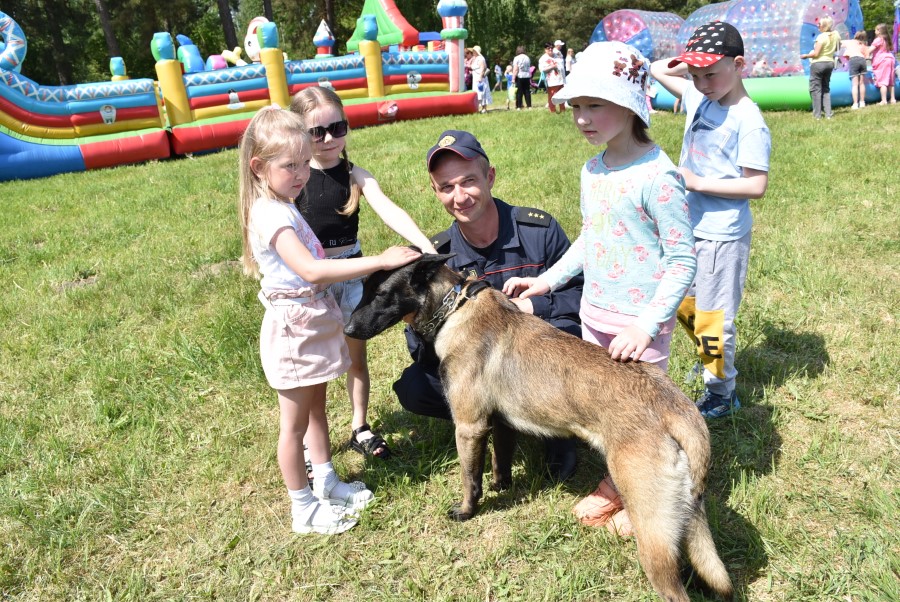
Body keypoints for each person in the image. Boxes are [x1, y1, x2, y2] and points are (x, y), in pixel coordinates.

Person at [502, 41, 697, 537]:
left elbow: (682, 261)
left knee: (644, 419)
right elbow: (592, 239)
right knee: (610, 413)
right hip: (596, 316)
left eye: (595, 105)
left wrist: (646, 325)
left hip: (639, 327)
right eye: (576, 106)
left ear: (630, 106)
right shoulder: (592, 171)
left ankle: (644, 491)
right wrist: (546, 281)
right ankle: (620, 481)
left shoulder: (659, 176)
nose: (582, 118)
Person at [237, 106, 422, 533]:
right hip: (293, 328)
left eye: (305, 163)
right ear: (259, 167)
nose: (302, 174)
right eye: (291, 166)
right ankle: (303, 507)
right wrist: (380, 260)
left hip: (311, 319)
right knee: (293, 426)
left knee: (316, 410)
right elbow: (311, 270)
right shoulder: (270, 213)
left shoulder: (282, 203)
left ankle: (325, 480)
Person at [392, 129, 585, 483]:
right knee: (415, 387)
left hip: (538, 364)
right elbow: (421, 352)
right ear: (435, 192)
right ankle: (491, 417)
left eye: (469, 181)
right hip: (482, 372)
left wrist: (533, 306)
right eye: (446, 187)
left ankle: (558, 432)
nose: (460, 196)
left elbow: (581, 296)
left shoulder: (538, 231)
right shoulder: (440, 257)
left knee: (572, 337)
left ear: (490, 177)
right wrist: (418, 323)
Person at [289, 87, 437, 463]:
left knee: (356, 359)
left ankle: (360, 427)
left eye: (337, 128)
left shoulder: (354, 174)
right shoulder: (294, 180)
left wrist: (425, 245)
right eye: (316, 132)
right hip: (311, 285)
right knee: (312, 369)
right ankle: (307, 440)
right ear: (299, 134)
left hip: (353, 278)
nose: (328, 139)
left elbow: (388, 208)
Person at [650, 21, 771, 418]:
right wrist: (694, 64)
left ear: (739, 65)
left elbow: (756, 185)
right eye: (696, 75)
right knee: (686, 302)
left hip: (721, 235)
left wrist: (698, 182)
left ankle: (722, 393)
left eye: (711, 74)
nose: (701, 84)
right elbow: (657, 68)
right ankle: (710, 360)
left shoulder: (747, 120)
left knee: (715, 316)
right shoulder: (700, 95)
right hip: (688, 225)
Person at [800, 15, 841, 120]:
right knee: (825, 89)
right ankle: (828, 114)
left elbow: (816, 54)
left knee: (815, 90)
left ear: (824, 26)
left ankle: (817, 115)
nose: (818, 25)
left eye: (819, 24)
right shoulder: (836, 35)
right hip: (829, 63)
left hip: (818, 64)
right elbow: (838, 48)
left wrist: (806, 56)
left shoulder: (821, 37)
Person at [841, 31, 870, 109]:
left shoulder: (850, 42)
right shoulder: (864, 45)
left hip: (854, 60)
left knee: (855, 84)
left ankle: (855, 103)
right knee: (862, 83)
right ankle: (862, 102)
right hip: (862, 60)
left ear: (855, 36)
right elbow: (867, 56)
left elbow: (841, 43)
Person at [869, 23, 897, 105]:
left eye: (876, 29)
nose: (874, 31)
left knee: (882, 81)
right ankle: (893, 99)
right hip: (890, 59)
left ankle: (884, 100)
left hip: (882, 61)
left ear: (879, 31)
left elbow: (870, 50)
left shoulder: (878, 39)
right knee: (891, 81)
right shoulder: (887, 39)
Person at [539, 42, 566, 113]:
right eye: (548, 48)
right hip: (551, 80)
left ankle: (563, 110)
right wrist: (552, 67)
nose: (550, 49)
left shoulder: (557, 56)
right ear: (545, 49)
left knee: (562, 95)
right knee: (552, 96)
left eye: (551, 48)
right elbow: (542, 70)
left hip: (561, 79)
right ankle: (552, 111)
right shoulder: (543, 58)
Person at [470, 45, 491, 113]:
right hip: (476, 78)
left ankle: (484, 108)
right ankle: (478, 108)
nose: (473, 52)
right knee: (478, 93)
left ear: (476, 51)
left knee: (482, 92)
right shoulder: (475, 58)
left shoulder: (480, 58)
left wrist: (480, 77)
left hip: (480, 78)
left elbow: (482, 68)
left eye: (474, 51)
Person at [512, 45, 532, 110]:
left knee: (519, 92)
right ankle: (529, 106)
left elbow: (516, 69)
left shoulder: (516, 58)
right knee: (527, 91)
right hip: (527, 76)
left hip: (520, 76)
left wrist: (513, 78)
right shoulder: (527, 57)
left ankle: (519, 106)